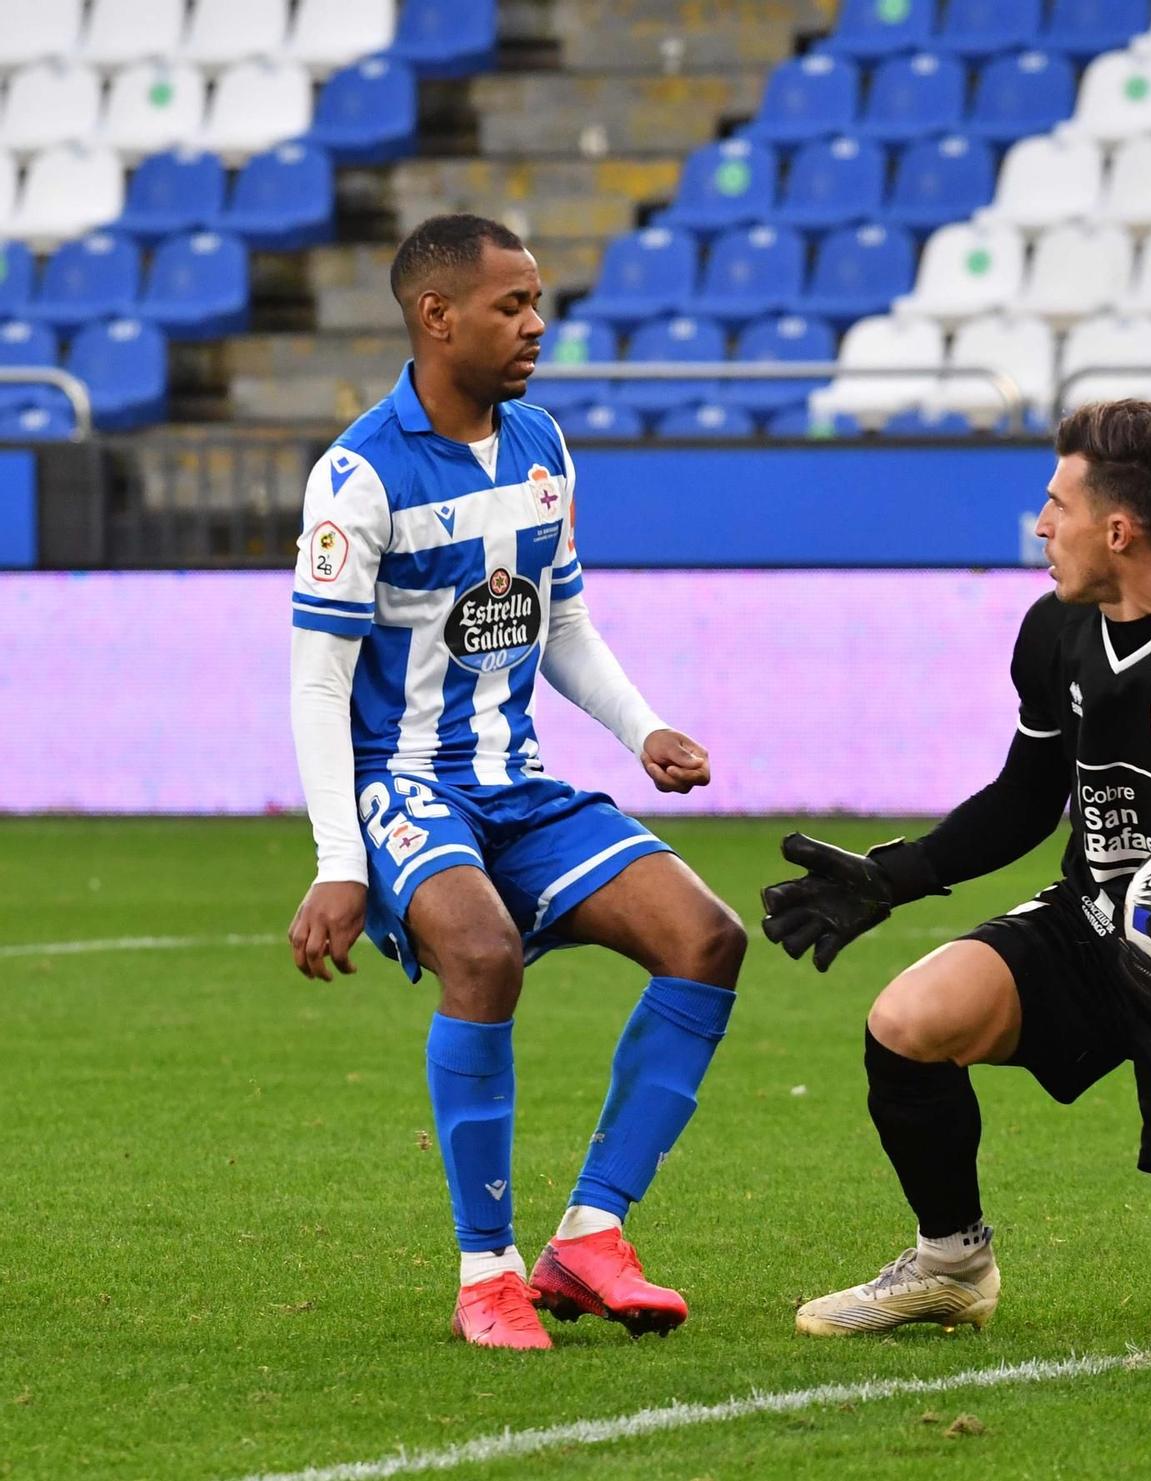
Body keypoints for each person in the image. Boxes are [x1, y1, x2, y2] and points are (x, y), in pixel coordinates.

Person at [762, 401, 1151, 1341]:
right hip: (1095, 927)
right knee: (907, 1018)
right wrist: (891, 876)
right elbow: (1026, 799)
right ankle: (951, 1264)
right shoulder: (1058, 630)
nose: (1040, 525)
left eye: (1055, 503)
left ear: (1119, 528)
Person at [286, 214, 745, 1350]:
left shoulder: (541, 441)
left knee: (706, 937)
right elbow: (314, 685)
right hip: (405, 782)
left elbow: (564, 618)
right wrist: (341, 863)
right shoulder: (356, 477)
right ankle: (484, 1270)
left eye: (537, 301)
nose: (536, 325)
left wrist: (642, 730)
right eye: (512, 305)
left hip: (517, 780)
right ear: (436, 316)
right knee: (481, 956)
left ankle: (589, 1236)